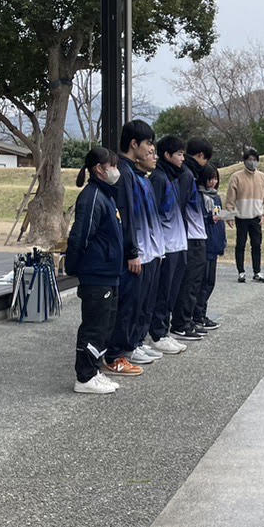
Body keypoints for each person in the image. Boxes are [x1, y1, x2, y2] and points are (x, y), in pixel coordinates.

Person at [103, 120, 163, 378]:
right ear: (134, 144)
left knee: (137, 303)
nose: (151, 149)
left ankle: (128, 347)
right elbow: (125, 217)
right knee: (126, 305)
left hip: (141, 250)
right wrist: (132, 252)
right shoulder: (124, 173)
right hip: (131, 253)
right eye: (148, 143)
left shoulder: (133, 174)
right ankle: (116, 355)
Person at [66, 146, 124, 395]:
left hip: (109, 272)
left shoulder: (106, 195)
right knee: (94, 325)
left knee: (105, 325)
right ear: (99, 169)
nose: (116, 170)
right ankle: (84, 376)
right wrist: (74, 265)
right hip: (96, 273)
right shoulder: (92, 197)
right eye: (112, 166)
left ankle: (95, 370)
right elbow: (80, 236)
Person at [146, 135, 190, 356]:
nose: (183, 158)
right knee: (162, 292)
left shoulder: (173, 178)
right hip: (165, 246)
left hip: (178, 244)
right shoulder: (159, 179)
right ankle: (158, 333)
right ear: (167, 155)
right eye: (180, 154)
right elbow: (151, 216)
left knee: (172, 291)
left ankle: (164, 331)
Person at [169, 137, 212, 339]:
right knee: (190, 283)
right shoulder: (187, 175)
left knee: (195, 281)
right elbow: (180, 205)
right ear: (201, 156)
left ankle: (188, 320)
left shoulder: (190, 174)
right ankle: (182, 323)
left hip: (196, 235)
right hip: (191, 236)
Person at [225, 147, 264, 283]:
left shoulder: (263, 177)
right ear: (244, 161)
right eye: (249, 159)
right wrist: (229, 215)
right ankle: (241, 272)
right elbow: (230, 199)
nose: (252, 162)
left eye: (254, 160)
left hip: (256, 218)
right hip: (241, 217)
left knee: (256, 245)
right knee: (240, 245)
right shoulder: (236, 177)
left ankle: (257, 272)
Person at [196, 164, 226, 332]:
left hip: (215, 244)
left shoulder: (217, 198)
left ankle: (202, 313)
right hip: (204, 244)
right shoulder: (201, 197)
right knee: (202, 282)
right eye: (210, 178)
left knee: (210, 282)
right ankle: (197, 314)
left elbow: (219, 219)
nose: (213, 182)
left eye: (215, 178)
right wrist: (210, 218)